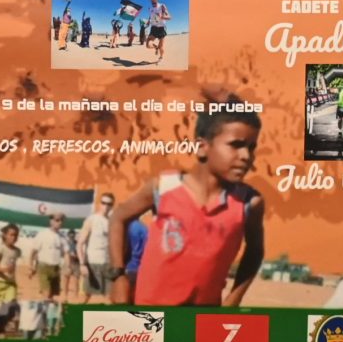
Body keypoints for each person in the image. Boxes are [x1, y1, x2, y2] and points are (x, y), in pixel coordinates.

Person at [114, 105, 266, 307]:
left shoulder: (249, 203)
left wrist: (233, 298)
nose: (246, 156)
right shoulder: (164, 187)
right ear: (202, 147)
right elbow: (118, 217)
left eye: (251, 147)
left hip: (203, 320)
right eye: (235, 145)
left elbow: (255, 251)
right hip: (148, 315)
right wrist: (117, 275)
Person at [80, 192, 117, 298]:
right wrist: (82, 264)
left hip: (107, 263)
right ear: (99, 204)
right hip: (93, 263)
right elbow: (80, 243)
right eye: (103, 203)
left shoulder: (111, 222)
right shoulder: (92, 219)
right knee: (88, 298)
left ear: (112, 206)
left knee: (108, 297)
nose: (106, 206)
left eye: (109, 204)